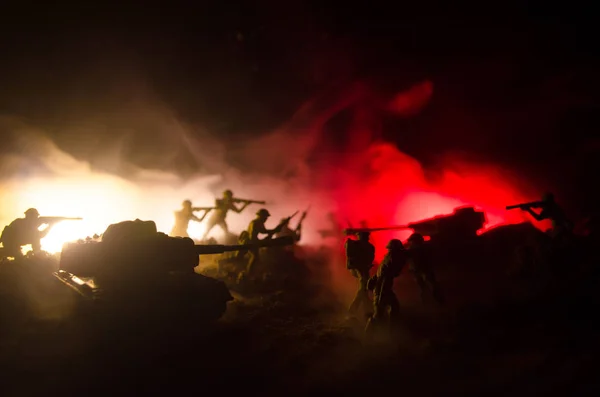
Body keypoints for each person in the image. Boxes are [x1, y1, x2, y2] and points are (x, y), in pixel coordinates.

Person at [365, 239, 407, 336]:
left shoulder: (387, 260)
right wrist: (380, 295)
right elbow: (383, 278)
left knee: (393, 308)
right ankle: (367, 334)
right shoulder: (390, 260)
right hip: (382, 289)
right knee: (378, 314)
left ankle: (391, 331)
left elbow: (379, 275)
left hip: (384, 288)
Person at [406, 233, 444, 305]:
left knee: (430, 286)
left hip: (423, 270)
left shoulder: (415, 249)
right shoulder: (417, 249)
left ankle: (437, 301)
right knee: (425, 287)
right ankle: (431, 301)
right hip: (418, 271)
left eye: (412, 241)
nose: (411, 242)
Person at [245, 208, 284, 276]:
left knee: (256, 259)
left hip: (254, 241)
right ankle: (249, 273)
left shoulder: (259, 223)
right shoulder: (255, 223)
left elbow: (263, 231)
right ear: (261, 216)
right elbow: (252, 236)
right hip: (250, 242)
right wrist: (260, 241)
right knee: (255, 258)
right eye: (265, 217)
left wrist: (274, 230)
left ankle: (252, 273)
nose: (266, 219)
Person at [345, 231, 375, 317]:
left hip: (364, 269)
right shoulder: (356, 245)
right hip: (359, 269)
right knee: (363, 289)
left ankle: (366, 309)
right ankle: (353, 310)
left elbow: (370, 258)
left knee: (364, 289)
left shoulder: (368, 246)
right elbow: (351, 259)